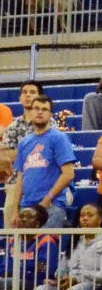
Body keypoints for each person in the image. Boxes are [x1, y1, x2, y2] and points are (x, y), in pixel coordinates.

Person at [12, 96, 75, 228]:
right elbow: (20, 178)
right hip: (26, 207)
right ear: (30, 112)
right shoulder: (24, 142)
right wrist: (14, 210)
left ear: (50, 115)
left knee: (45, 247)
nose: (40, 112)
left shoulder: (59, 138)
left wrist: (47, 200)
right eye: (36, 108)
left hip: (51, 207)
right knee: (25, 249)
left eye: (44, 109)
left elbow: (68, 174)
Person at [0, 204, 59, 290]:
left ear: (37, 223)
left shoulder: (46, 240)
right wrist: (22, 271)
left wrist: (17, 273)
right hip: (14, 279)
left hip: (33, 283)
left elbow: (44, 271)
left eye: (29, 217)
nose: (24, 220)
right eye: (21, 216)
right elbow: (3, 267)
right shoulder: (12, 240)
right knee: (5, 282)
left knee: (6, 284)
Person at [0, 80, 50, 229]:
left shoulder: (49, 123)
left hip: (43, 178)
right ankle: (12, 247)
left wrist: (17, 153)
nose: (28, 95)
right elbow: (4, 156)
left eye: (32, 92)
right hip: (16, 180)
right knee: (10, 217)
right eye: (24, 92)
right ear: (20, 98)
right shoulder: (13, 126)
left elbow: (46, 152)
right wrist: (28, 150)